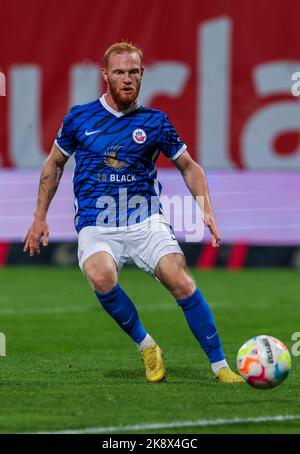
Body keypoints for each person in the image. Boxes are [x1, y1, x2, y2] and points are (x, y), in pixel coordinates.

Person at [23, 41, 244, 384]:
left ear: (142, 74)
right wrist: (40, 216)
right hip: (98, 224)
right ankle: (146, 345)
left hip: (145, 221)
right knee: (100, 276)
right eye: (119, 72)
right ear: (105, 75)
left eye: (132, 72)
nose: (126, 79)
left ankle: (220, 367)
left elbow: (188, 166)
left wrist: (207, 209)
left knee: (181, 280)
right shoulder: (80, 117)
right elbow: (54, 164)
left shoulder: (155, 122)